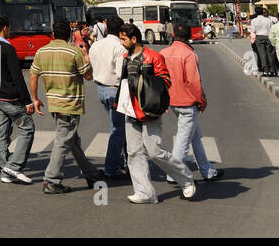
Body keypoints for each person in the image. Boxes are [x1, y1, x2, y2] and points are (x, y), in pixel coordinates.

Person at [118, 23, 195, 204]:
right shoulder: (125, 57)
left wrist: (147, 87)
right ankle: (145, 192)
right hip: (130, 110)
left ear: (134, 39)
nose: (121, 42)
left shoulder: (153, 57)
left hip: (150, 111)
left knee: (154, 151)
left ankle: (185, 178)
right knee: (134, 152)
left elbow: (165, 81)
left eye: (123, 39)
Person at [29, 19, 101, 194]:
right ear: (68, 34)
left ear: (53, 34)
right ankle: (51, 179)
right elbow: (89, 76)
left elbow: (33, 75)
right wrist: (86, 57)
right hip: (70, 104)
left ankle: (91, 173)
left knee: (71, 140)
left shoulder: (41, 51)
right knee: (63, 140)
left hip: (54, 102)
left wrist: (35, 98)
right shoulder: (74, 52)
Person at [162, 23, 220, 183]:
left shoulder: (164, 53)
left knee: (194, 136)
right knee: (183, 138)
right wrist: (202, 100)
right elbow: (194, 82)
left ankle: (207, 170)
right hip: (187, 102)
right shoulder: (189, 54)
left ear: (173, 35)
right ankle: (173, 173)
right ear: (190, 36)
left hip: (171, 101)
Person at [0, 16, 35, 184]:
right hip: (10, 98)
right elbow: (17, 76)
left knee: (1, 134)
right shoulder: (7, 48)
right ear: (5, 28)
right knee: (28, 128)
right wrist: (27, 100)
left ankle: (6, 170)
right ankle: (14, 166)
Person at [87, 14, 128, 180]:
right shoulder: (119, 47)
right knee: (117, 130)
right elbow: (120, 74)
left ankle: (126, 160)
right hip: (115, 90)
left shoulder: (96, 45)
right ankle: (112, 167)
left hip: (101, 89)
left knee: (120, 127)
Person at [249, 9, 278, 77]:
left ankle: (265, 70)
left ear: (256, 13)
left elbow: (253, 30)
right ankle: (272, 70)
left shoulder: (254, 20)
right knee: (270, 53)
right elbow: (272, 29)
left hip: (259, 37)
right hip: (268, 37)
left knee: (262, 54)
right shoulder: (268, 20)